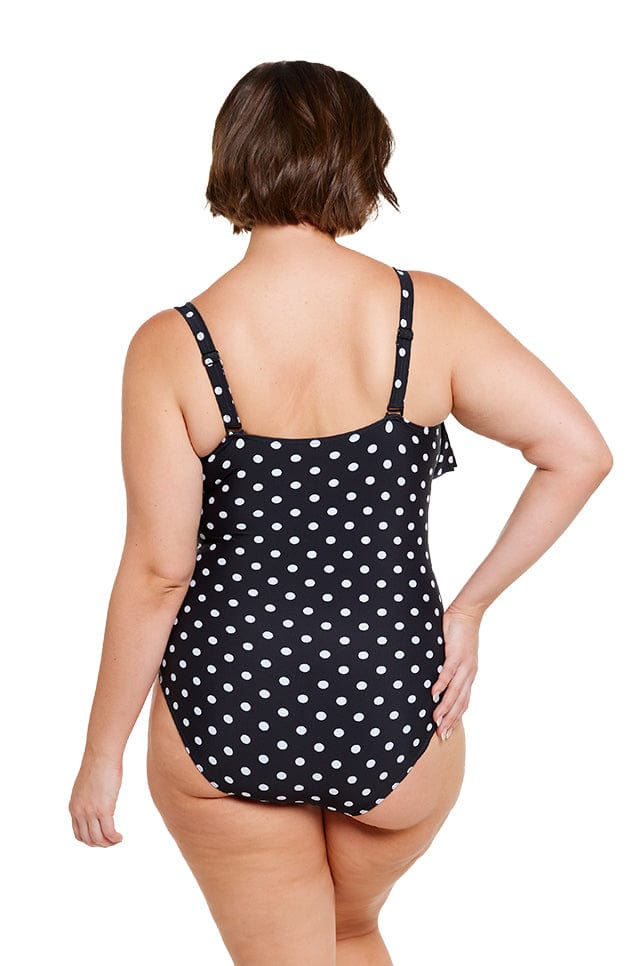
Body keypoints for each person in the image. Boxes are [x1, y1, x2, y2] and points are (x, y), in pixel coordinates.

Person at [68, 60, 613, 964]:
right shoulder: (427, 314)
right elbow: (579, 453)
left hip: (228, 708)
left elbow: (160, 573)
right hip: (396, 707)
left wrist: (102, 754)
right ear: (362, 163)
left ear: (232, 158)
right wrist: (470, 608)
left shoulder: (171, 347)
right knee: (350, 932)